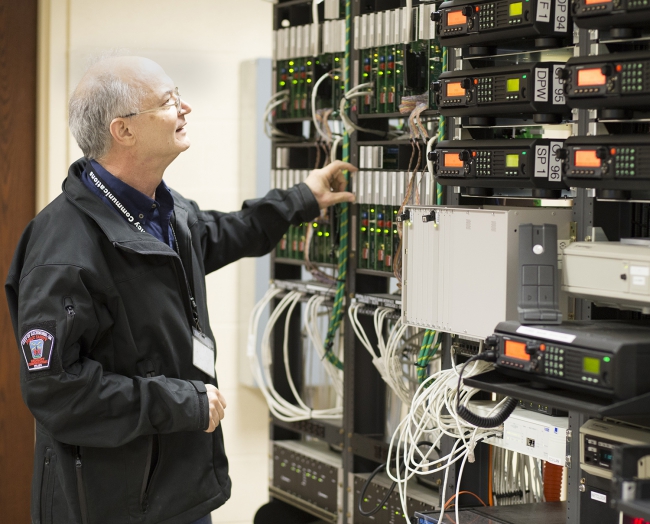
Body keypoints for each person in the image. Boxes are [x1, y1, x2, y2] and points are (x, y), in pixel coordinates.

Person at [5, 56, 356, 524]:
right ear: (123, 130)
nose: (185, 107)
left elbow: (220, 233)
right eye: (168, 101)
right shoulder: (65, 247)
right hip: (111, 504)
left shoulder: (164, 210)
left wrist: (300, 199)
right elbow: (57, 391)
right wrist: (181, 402)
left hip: (176, 490)